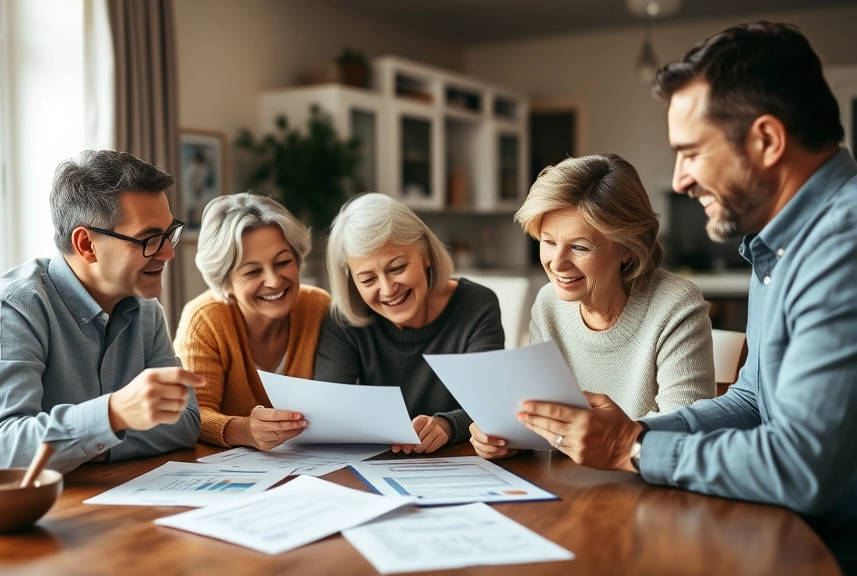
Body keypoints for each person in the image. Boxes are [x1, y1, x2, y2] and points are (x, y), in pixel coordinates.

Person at [515, 22, 857, 572]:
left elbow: (802, 468)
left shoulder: (841, 246)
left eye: (692, 153)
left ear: (767, 141)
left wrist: (632, 450)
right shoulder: (780, 245)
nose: (679, 181)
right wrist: (632, 432)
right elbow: (752, 403)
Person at [0, 150, 203, 487]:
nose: (168, 252)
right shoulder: (12, 309)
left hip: (80, 501)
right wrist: (112, 415)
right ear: (86, 244)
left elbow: (185, 422)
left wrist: (93, 442)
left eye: (168, 233)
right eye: (149, 239)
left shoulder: (146, 311)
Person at [470, 154, 715, 459]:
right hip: (565, 487)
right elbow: (543, 418)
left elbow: (688, 432)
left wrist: (601, 437)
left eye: (579, 246)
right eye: (548, 242)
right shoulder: (549, 304)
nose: (556, 263)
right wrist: (506, 434)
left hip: (647, 486)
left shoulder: (676, 305)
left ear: (627, 247)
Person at [314, 193, 504, 454]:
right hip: (376, 466)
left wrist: (447, 425)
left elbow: (491, 403)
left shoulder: (476, 305)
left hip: (458, 460)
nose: (388, 289)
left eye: (397, 268)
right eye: (368, 280)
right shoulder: (344, 319)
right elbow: (329, 409)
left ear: (425, 253)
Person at [174, 192, 330, 450]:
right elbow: (192, 413)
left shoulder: (319, 307)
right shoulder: (205, 320)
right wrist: (243, 430)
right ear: (225, 281)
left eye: (283, 262)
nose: (274, 280)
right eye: (253, 271)